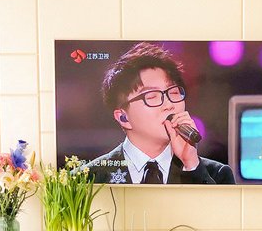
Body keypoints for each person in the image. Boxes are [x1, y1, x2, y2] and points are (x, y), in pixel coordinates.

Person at [87, 42, 235, 185]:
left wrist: (192, 166)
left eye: (174, 92)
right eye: (152, 96)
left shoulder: (217, 175)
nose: (169, 105)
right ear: (123, 117)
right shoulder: (88, 178)